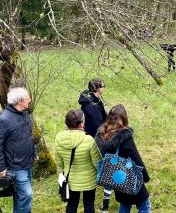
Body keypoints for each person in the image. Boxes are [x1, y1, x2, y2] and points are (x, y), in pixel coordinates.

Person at [94, 105, 151, 213]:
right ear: (124, 118)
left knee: (125, 204)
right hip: (130, 177)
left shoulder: (101, 135)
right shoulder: (124, 136)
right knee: (145, 206)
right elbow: (136, 158)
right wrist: (145, 176)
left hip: (114, 178)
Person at [0, 87, 37, 213]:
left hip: (27, 162)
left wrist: (34, 152)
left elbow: (28, 136)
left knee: (21, 196)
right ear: (19, 101)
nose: (30, 100)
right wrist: (1, 168)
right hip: (15, 167)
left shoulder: (25, 113)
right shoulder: (3, 120)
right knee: (26, 195)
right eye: (28, 98)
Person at [55, 109, 102, 213]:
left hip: (70, 179)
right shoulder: (88, 140)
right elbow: (97, 162)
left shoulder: (59, 138)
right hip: (89, 179)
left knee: (71, 205)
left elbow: (59, 162)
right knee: (89, 204)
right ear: (81, 124)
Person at [78, 78, 111, 211]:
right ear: (97, 88)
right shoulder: (91, 105)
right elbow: (98, 124)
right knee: (101, 159)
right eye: (103, 86)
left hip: (96, 135)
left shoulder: (94, 100)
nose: (105, 88)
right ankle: (102, 178)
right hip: (95, 137)